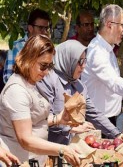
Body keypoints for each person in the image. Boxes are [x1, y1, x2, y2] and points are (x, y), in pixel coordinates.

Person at [0, 35, 80, 166]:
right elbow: (25, 139)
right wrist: (62, 149)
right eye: (43, 66)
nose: (47, 72)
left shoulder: (32, 82)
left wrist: (58, 119)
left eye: (50, 66)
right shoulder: (17, 90)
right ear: (28, 59)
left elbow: (31, 119)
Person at [37, 40, 123, 145]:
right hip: (45, 149)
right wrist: (70, 128)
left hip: (67, 149)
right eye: (79, 61)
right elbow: (44, 119)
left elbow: (94, 113)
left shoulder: (79, 85)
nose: (83, 66)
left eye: (84, 61)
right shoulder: (47, 80)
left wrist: (116, 134)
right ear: (68, 60)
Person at [3, 8, 51, 83]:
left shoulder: (48, 48)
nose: (45, 32)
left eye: (46, 28)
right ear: (30, 28)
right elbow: (7, 78)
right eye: (41, 28)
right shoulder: (16, 47)